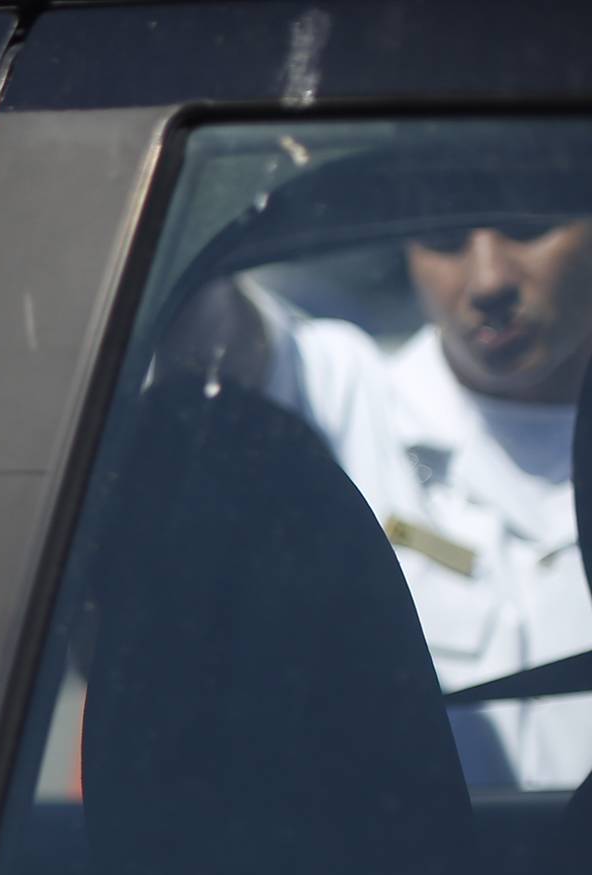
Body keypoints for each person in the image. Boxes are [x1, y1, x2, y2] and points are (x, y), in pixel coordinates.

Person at [198, 214, 591, 787]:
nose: (489, 280)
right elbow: (205, 324)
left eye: (525, 225)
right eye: (442, 236)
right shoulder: (350, 399)